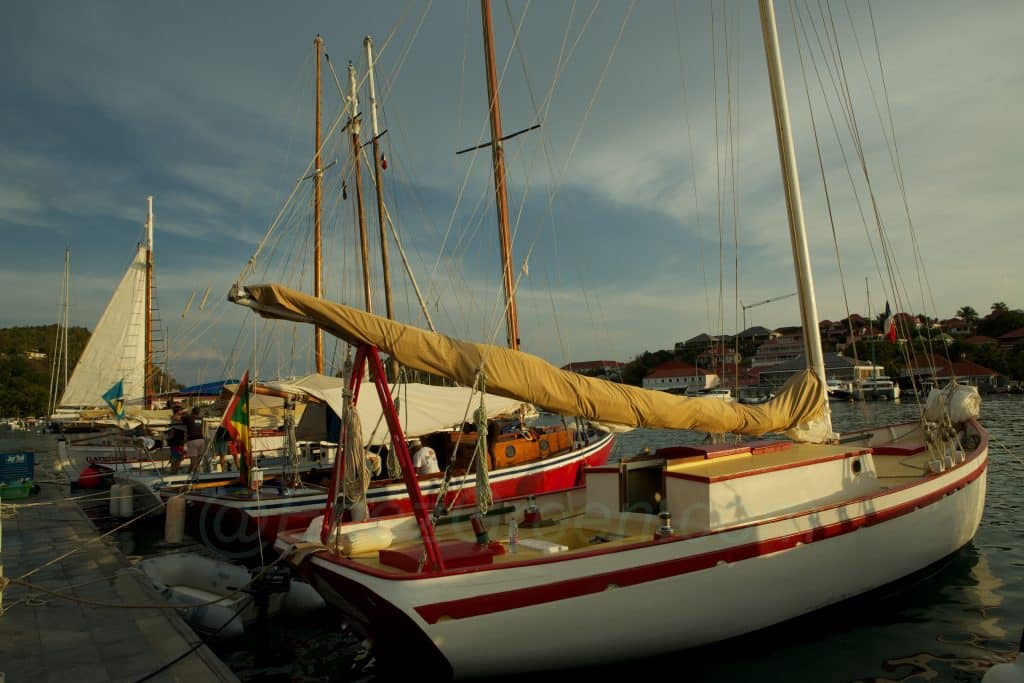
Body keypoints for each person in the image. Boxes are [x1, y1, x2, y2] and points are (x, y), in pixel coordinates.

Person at [182, 406, 206, 474]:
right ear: (199, 413)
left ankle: (188, 474)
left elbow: (177, 418)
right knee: (198, 460)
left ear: (192, 412)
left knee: (193, 461)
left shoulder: (189, 418)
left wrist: (184, 413)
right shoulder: (201, 418)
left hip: (193, 440)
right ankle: (196, 473)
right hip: (201, 440)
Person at [167, 406, 186, 474]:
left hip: (177, 443)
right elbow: (172, 432)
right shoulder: (175, 420)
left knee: (176, 459)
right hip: (177, 443)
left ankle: (174, 472)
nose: (182, 413)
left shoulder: (174, 420)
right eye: (181, 411)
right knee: (177, 459)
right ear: (177, 412)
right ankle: (174, 473)